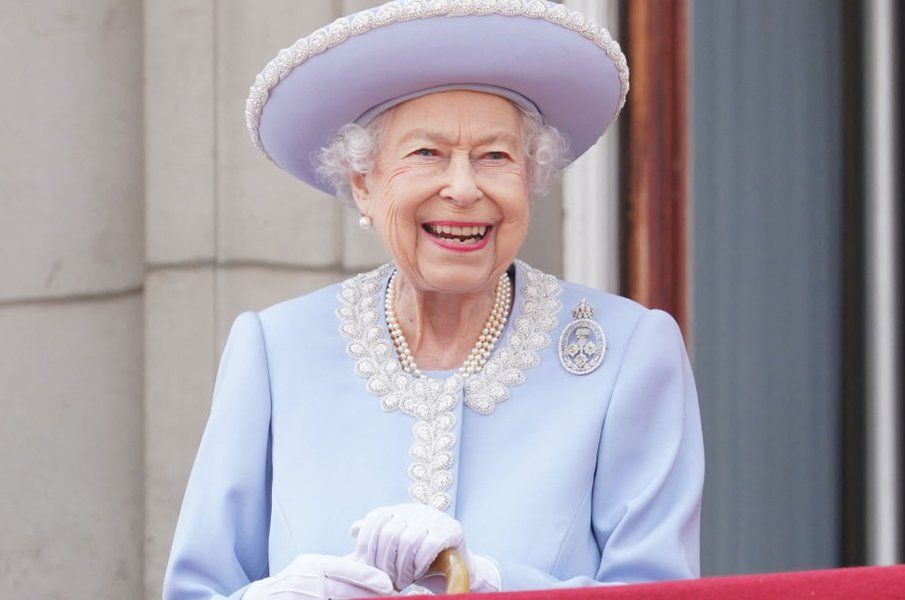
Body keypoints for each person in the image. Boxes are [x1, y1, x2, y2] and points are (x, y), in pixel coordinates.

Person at [163, 2, 703, 598]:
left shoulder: (628, 352)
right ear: (363, 183)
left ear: (530, 178)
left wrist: (492, 583)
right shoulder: (275, 349)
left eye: (495, 157)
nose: (464, 188)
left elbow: (659, 591)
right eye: (427, 154)